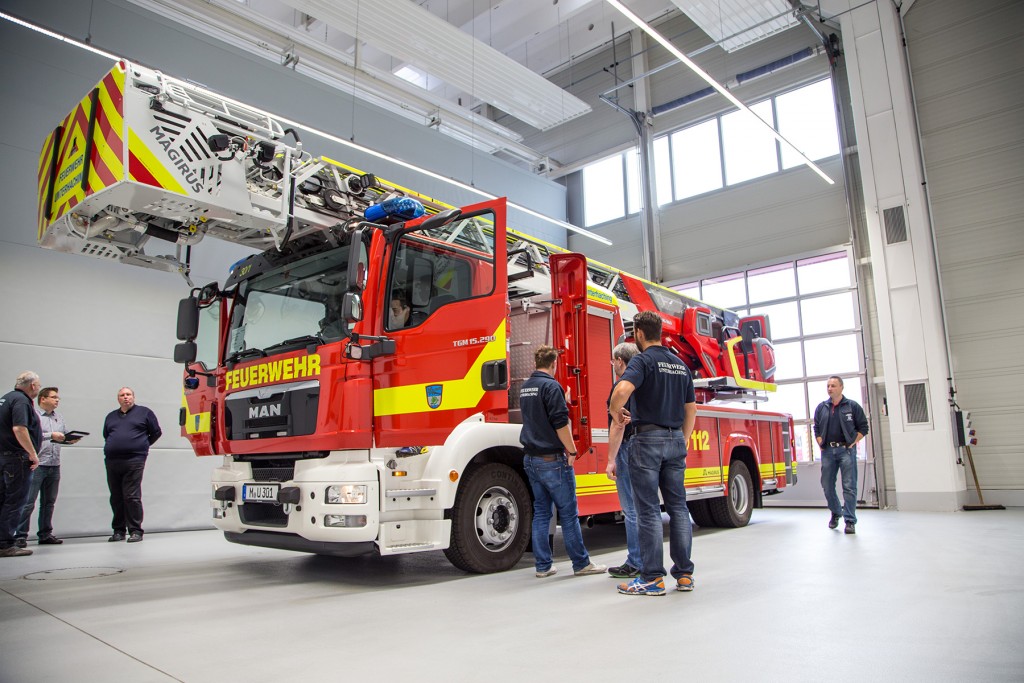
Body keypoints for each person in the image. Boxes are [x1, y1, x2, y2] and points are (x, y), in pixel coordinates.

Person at [609, 311, 697, 596]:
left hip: (647, 441)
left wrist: (615, 412)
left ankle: (652, 578)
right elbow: (691, 409)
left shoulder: (643, 360)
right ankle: (684, 575)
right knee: (678, 508)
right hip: (674, 440)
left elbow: (622, 390)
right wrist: (682, 439)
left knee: (647, 511)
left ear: (639, 334)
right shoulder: (679, 364)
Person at [519, 345, 605, 578]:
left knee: (541, 513)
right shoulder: (551, 386)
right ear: (553, 364)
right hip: (552, 460)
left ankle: (543, 566)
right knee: (568, 513)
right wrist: (572, 449)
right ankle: (581, 563)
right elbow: (559, 423)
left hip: (531, 459)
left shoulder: (526, 387)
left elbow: (538, 417)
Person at [102, 387, 162, 543]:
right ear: (118, 399)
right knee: (116, 497)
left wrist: (142, 445)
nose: (125, 397)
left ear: (133, 397)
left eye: (128, 394)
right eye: (122, 395)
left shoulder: (144, 413)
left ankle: (135, 530)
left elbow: (156, 432)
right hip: (113, 460)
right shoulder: (111, 416)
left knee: (131, 496)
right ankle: (118, 531)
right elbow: (106, 435)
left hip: (134, 460)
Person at [605, 342, 642, 579]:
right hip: (647, 448)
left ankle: (635, 561)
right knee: (646, 508)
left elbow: (618, 425)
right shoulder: (645, 383)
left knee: (631, 510)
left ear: (620, 361)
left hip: (628, 448)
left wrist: (610, 459)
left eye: (613, 361)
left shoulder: (621, 387)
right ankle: (649, 560)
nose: (612, 365)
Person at [813, 376, 869, 535]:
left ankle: (850, 521)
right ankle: (836, 512)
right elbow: (816, 427)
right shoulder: (822, 407)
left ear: (841, 388)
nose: (830, 388)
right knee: (827, 484)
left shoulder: (852, 406)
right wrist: (819, 441)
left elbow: (863, 428)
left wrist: (853, 442)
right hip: (828, 452)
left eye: (833, 385)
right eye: (828, 386)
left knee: (849, 486)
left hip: (846, 450)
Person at [15, 387, 69, 547]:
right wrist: (50, 435)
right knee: (28, 502)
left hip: (54, 464)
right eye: (53, 397)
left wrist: (69, 438)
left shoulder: (59, 417)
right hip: (38, 464)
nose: (57, 400)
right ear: (43, 399)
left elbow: (64, 434)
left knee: (49, 502)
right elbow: (32, 435)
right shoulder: (35, 416)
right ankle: (20, 535)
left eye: (58, 397)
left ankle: (45, 534)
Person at [0, 372, 43, 557]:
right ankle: (6, 544)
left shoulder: (5, 398)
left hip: (3, 457)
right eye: (38, 385)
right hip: (16, 459)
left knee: (3, 500)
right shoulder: (21, 401)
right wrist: (32, 454)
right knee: (15, 501)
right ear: (33, 385)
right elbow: (19, 428)